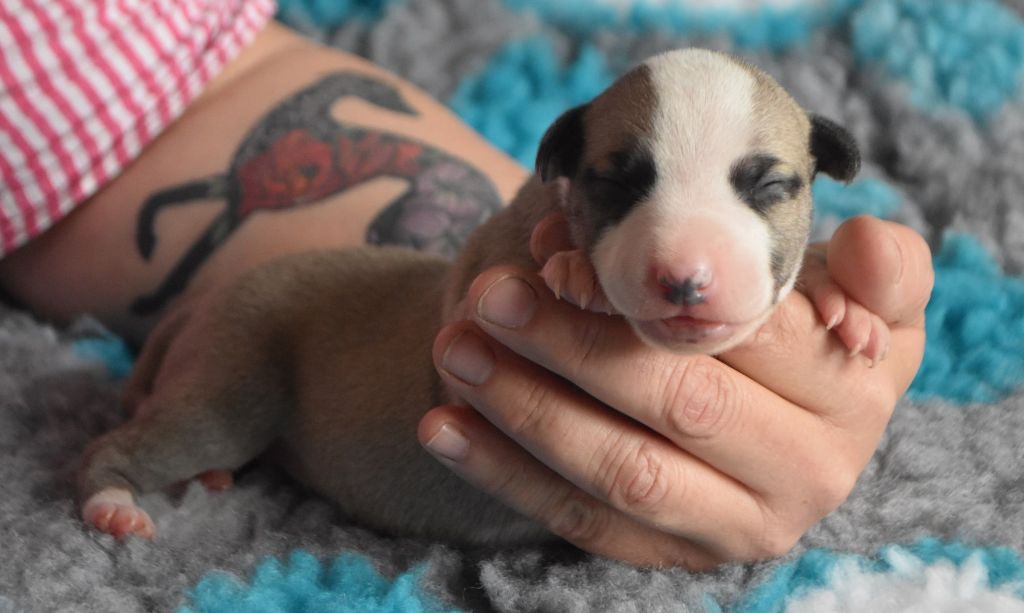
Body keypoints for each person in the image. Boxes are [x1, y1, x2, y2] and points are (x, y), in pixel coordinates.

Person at [0, 2, 932, 568]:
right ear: (562, 177)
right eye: (622, 185)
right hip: (294, 344)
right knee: (208, 420)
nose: (687, 265)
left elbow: (140, 98)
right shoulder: (532, 242)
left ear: (823, 170)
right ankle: (116, 464)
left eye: (763, 188)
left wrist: (819, 302)